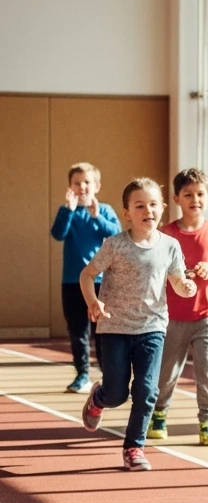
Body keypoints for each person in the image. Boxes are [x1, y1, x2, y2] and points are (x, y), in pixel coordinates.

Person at [79, 178, 195, 471]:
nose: (148, 210)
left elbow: (177, 280)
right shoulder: (115, 245)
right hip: (114, 327)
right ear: (127, 212)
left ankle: (134, 446)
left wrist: (185, 287)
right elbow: (87, 274)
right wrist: (93, 302)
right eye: (140, 205)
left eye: (153, 204)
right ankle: (99, 397)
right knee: (117, 393)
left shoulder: (170, 245)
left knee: (146, 390)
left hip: (152, 327)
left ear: (163, 208)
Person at [149, 169, 208, 446]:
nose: (194, 199)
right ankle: (159, 415)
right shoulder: (166, 234)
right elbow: (156, 269)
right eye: (188, 194)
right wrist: (179, 275)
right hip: (172, 318)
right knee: (167, 371)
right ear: (176, 198)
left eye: (199, 194)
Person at [50, 162, 121, 393]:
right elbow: (57, 234)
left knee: (102, 330)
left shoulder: (105, 210)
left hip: (101, 282)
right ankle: (82, 375)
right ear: (70, 187)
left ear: (97, 186)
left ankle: (109, 377)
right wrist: (68, 210)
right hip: (72, 281)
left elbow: (116, 236)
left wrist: (97, 217)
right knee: (77, 330)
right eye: (77, 183)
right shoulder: (67, 211)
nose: (82, 187)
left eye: (87, 182)